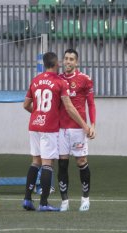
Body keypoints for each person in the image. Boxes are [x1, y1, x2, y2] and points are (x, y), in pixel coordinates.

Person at [22, 51, 91, 212]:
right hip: (49, 127)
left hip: (34, 125)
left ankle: (27, 199)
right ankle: (44, 203)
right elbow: (69, 107)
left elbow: (25, 105)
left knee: (35, 162)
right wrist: (85, 125)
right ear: (56, 64)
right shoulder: (60, 82)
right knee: (47, 164)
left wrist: (38, 112)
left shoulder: (35, 80)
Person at [58, 49, 96, 212]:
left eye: (71, 59)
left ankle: (85, 199)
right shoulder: (58, 80)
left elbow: (91, 104)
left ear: (77, 62)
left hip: (78, 130)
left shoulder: (85, 80)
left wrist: (92, 125)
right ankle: (65, 201)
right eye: (66, 58)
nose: (68, 62)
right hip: (60, 129)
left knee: (81, 162)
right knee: (62, 164)